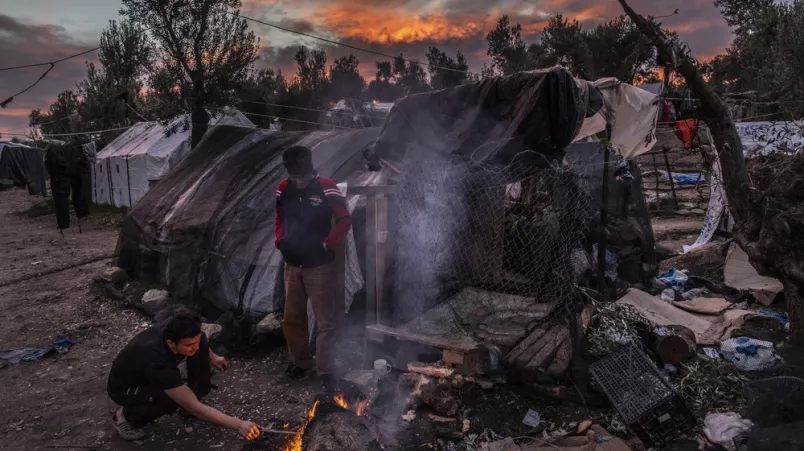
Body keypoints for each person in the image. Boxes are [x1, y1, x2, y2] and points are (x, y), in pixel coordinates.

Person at [107, 315, 262, 441]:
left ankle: (193, 397)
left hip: (152, 373)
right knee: (171, 399)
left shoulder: (180, 325)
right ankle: (124, 417)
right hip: (127, 388)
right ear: (171, 343)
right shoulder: (155, 357)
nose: (194, 347)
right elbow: (192, 406)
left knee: (199, 348)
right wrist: (238, 424)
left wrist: (212, 356)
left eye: (195, 342)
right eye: (188, 345)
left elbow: (198, 339)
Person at [275, 145, 352, 390]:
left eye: (302, 177)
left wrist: (330, 242)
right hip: (292, 264)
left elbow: (344, 219)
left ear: (311, 172)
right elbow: (279, 217)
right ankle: (300, 363)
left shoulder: (327, 186)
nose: (298, 182)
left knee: (325, 321)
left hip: (319, 265)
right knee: (292, 318)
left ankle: (326, 370)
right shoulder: (283, 188)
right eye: (294, 177)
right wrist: (279, 240)